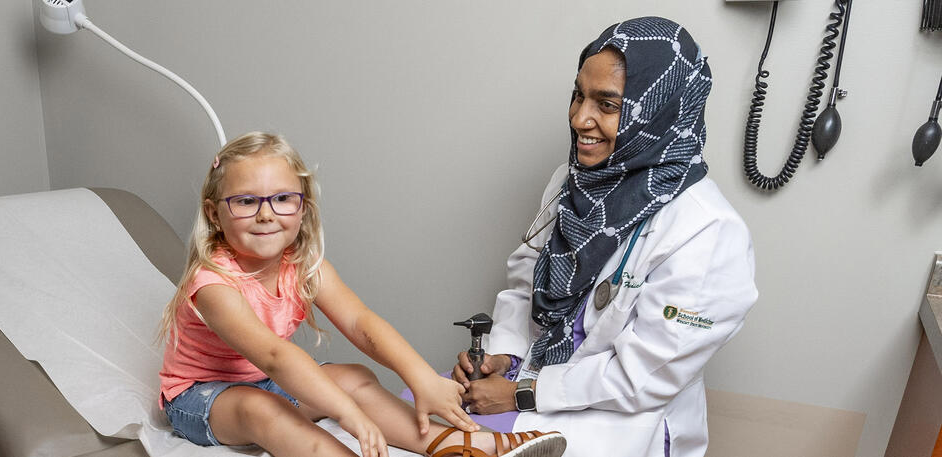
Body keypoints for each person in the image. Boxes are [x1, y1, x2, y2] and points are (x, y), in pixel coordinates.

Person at [452, 17, 757, 457]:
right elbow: (526, 285)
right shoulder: (571, 181)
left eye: (607, 105)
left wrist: (525, 392)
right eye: (578, 95)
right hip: (531, 393)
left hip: (622, 425)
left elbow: (645, 376)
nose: (580, 118)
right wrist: (504, 355)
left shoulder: (707, 231)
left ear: (658, 110)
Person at [157, 132, 567, 457]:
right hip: (203, 398)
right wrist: (347, 414)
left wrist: (420, 377)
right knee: (264, 410)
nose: (267, 214)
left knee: (355, 377)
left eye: (282, 199)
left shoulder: (304, 265)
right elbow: (276, 357)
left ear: (303, 208)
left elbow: (360, 323)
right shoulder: (212, 285)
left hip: (265, 381)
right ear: (215, 213)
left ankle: (464, 447)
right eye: (246, 201)